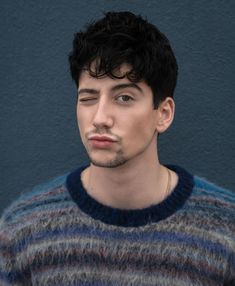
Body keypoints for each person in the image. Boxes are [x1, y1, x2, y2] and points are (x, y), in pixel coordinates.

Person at [0, 11, 234, 286]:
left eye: (124, 97)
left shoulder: (226, 231)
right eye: (88, 98)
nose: (99, 118)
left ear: (164, 113)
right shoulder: (22, 231)